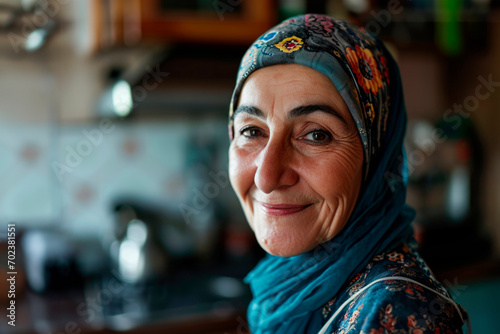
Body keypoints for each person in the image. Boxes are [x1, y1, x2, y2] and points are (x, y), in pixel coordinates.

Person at [227, 14, 469, 334]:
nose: (266, 178)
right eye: (252, 131)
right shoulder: (289, 284)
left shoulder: (395, 316)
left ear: (376, 156)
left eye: (316, 135)